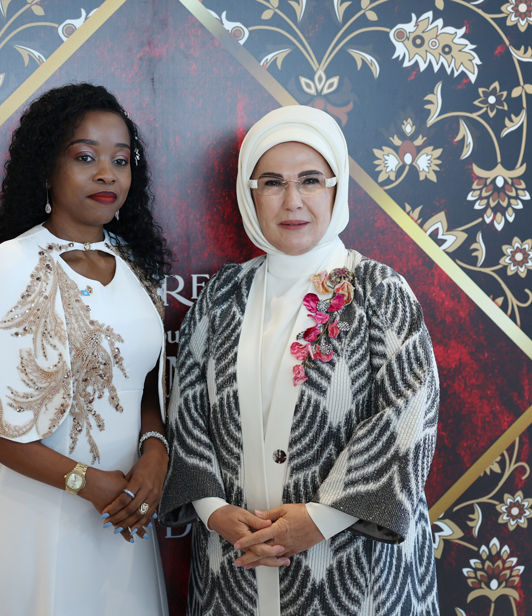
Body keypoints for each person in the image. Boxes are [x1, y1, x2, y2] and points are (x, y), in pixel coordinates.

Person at [160, 105, 439, 615]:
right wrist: (213, 510)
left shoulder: (379, 291)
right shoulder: (223, 294)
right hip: (233, 564)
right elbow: (187, 409)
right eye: (272, 183)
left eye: (310, 180)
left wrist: (320, 519)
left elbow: (407, 419)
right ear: (250, 194)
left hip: (354, 570)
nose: (292, 201)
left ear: (337, 188)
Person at [0, 83, 171, 616]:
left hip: (123, 516)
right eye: (85, 157)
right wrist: (84, 482)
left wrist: (155, 452)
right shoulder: (15, 262)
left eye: (121, 160)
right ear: (46, 167)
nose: (107, 174)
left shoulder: (134, 265)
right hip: (34, 519)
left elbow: (144, 384)